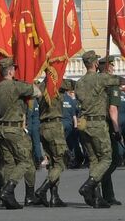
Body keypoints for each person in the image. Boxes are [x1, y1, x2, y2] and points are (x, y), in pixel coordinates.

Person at [75, 51, 123, 209]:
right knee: (106, 158)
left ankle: (96, 197)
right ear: (96, 63)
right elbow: (122, 79)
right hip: (97, 123)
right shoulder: (101, 78)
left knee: (94, 160)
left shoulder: (79, 82)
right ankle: (88, 186)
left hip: (84, 123)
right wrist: (110, 80)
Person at [0, 57, 36, 210]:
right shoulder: (16, 86)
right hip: (14, 129)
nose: (15, 70)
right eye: (13, 69)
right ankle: (8, 189)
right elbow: (38, 92)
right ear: (9, 71)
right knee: (25, 161)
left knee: (7, 164)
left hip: (0, 129)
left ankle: (3, 197)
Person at [36, 76, 70, 207]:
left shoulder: (40, 86)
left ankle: (54, 197)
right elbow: (74, 84)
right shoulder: (58, 83)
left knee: (53, 163)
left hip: (43, 126)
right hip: (55, 126)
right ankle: (42, 189)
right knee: (61, 162)